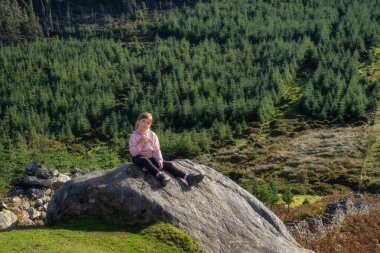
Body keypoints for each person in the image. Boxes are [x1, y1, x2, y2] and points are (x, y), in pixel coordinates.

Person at [129, 112, 204, 187]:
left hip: (150, 158)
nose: (145, 124)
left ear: (150, 124)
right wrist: (141, 143)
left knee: (168, 164)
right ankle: (161, 176)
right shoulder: (134, 135)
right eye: (143, 121)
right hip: (138, 158)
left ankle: (188, 178)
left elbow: (156, 149)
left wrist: (159, 159)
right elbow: (133, 153)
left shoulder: (152, 135)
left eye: (148, 123)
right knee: (145, 160)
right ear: (138, 121)